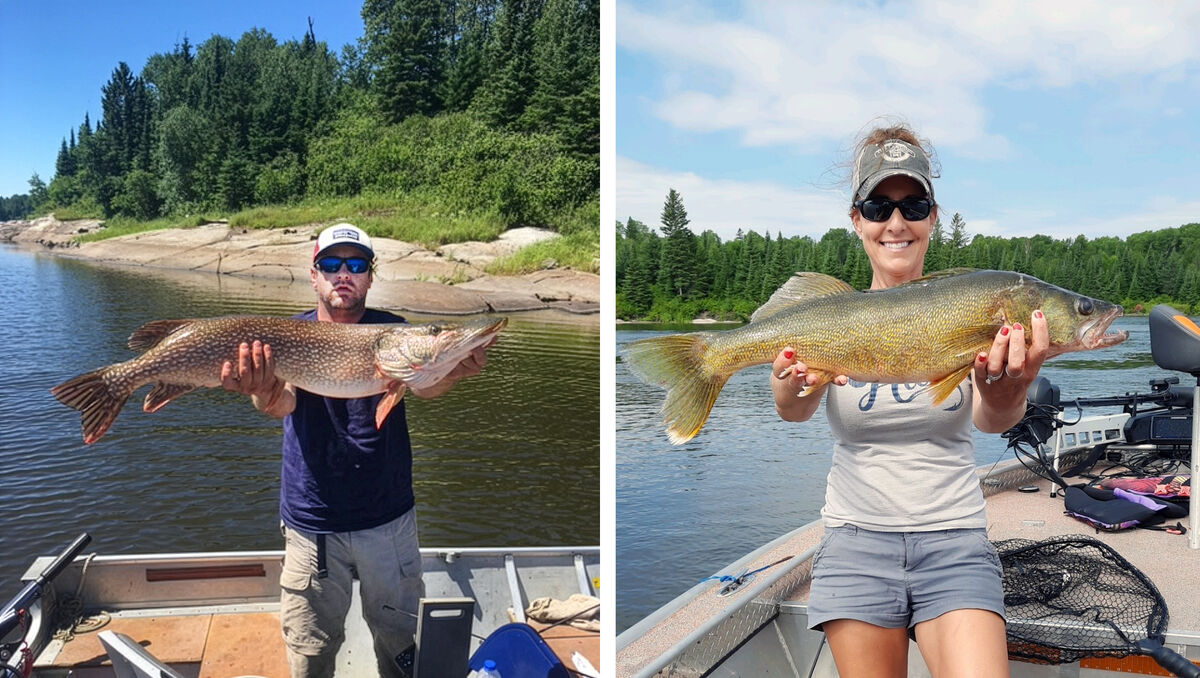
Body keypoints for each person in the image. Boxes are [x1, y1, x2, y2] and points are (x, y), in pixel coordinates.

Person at [769, 124, 1047, 678]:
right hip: (854, 541)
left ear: (933, 217)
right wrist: (789, 386)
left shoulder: (984, 310)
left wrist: (1009, 386)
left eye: (913, 205)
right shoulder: (827, 314)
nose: (896, 222)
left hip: (954, 539)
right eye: (878, 206)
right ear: (857, 220)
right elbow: (794, 410)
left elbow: (993, 422)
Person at [219, 223, 493, 678]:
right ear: (314, 275)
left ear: (369, 276)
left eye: (355, 265)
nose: (342, 273)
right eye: (331, 264)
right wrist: (261, 390)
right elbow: (281, 403)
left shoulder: (395, 333)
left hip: (389, 521)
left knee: (400, 644)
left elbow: (424, 387)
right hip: (313, 525)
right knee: (310, 655)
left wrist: (454, 366)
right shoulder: (290, 335)